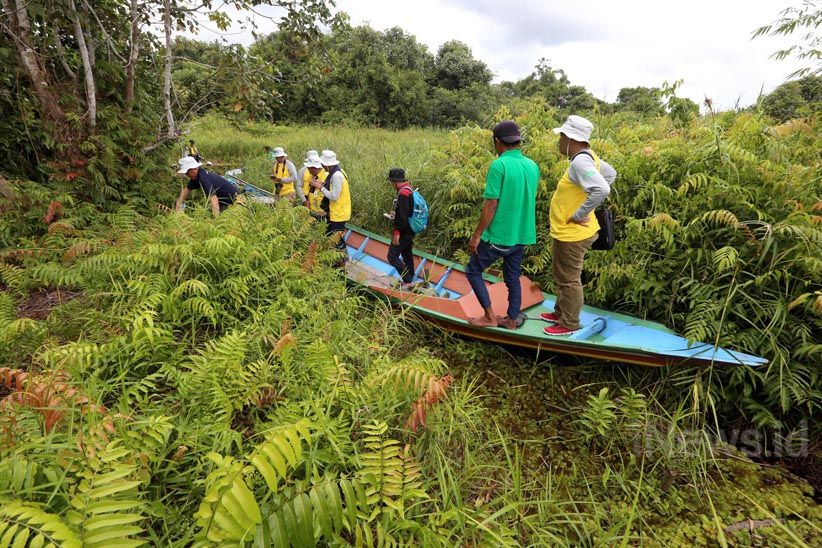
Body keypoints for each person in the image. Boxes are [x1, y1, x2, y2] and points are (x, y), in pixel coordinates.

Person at [542, 115, 616, 336]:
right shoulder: (588, 157)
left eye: (562, 136)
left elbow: (602, 188)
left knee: (569, 279)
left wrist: (581, 212)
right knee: (562, 273)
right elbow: (610, 174)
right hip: (570, 231)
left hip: (573, 233)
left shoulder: (580, 161)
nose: (559, 141)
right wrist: (585, 202)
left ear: (570, 139)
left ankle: (568, 323)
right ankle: (560, 312)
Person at [466, 120, 539, 329]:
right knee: (512, 278)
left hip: (500, 235)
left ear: (497, 142)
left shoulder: (499, 165)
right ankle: (512, 319)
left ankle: (489, 316)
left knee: (473, 270)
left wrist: (477, 234)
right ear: (517, 141)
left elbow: (492, 203)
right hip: (521, 234)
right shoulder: (532, 165)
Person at [310, 150, 351, 260]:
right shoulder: (339, 171)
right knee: (333, 237)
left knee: (337, 240)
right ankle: (337, 261)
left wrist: (320, 188)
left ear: (328, 164)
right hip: (338, 211)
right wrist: (323, 185)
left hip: (339, 213)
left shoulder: (336, 175)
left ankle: (342, 264)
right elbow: (336, 189)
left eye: (323, 164)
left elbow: (334, 196)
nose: (322, 167)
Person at [385, 168, 416, 289]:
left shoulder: (403, 193)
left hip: (404, 230)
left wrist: (396, 233)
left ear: (394, 181)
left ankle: (408, 280)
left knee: (392, 256)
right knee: (407, 253)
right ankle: (410, 278)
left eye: (391, 182)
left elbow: (402, 217)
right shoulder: (408, 189)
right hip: (410, 229)